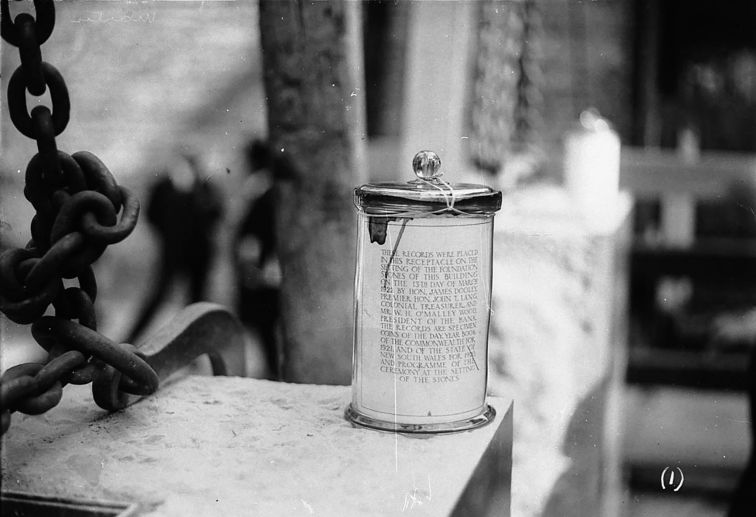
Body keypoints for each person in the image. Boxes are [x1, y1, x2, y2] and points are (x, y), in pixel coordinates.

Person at [126, 152, 224, 343]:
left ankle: (195, 346)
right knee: (158, 296)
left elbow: (217, 214)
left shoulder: (204, 187)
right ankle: (131, 338)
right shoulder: (163, 186)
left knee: (196, 302)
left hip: (199, 255)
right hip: (172, 253)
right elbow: (152, 215)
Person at [232, 139, 281, 379]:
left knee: (265, 323)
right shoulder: (261, 190)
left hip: (262, 270)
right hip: (262, 269)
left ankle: (271, 371)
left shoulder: (263, 192)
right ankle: (270, 369)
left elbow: (255, 233)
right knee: (264, 325)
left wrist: (251, 264)